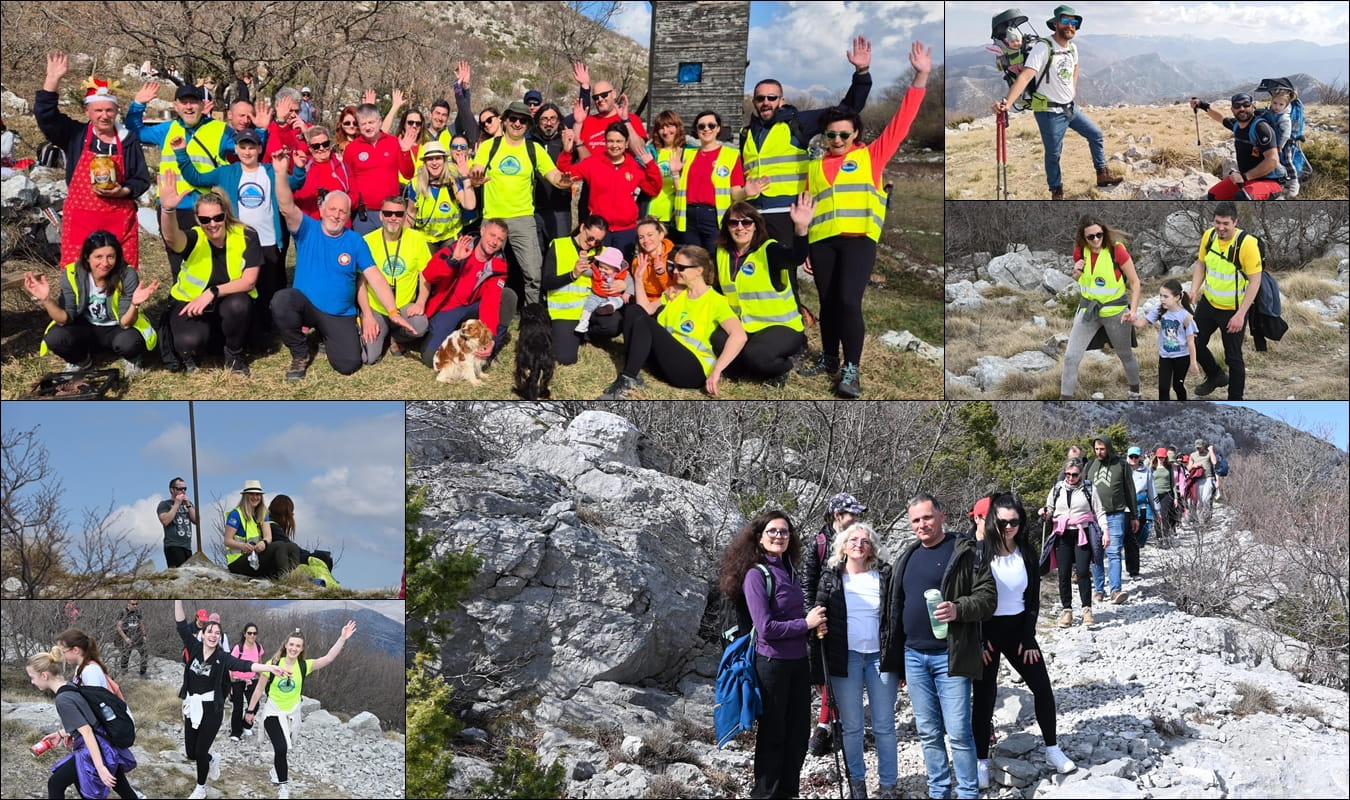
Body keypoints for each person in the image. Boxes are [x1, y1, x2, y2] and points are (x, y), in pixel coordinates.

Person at [799, 41, 931, 399]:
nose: (838, 139)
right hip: (823, 242)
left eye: (844, 133)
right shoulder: (814, 166)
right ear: (824, 136)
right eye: (831, 134)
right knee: (827, 302)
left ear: (855, 134)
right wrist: (808, 245)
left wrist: (920, 75)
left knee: (847, 301)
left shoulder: (871, 156)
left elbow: (902, 122)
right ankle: (828, 359)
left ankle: (851, 369)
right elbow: (811, 206)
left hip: (859, 241)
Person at [883, 494, 996, 800]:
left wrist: (959, 609)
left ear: (942, 516)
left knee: (959, 732)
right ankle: (939, 792)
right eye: (916, 520)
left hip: (952, 655)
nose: (922, 524)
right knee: (929, 733)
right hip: (914, 656)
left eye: (927, 517)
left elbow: (988, 597)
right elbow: (895, 608)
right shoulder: (906, 557)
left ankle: (969, 793)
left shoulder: (964, 552)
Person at [269, 150, 416, 380]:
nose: (336, 215)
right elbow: (287, 207)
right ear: (322, 210)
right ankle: (300, 352)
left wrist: (393, 311)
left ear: (348, 214)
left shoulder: (354, 240)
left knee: (349, 364)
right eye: (332, 209)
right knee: (281, 300)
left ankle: (328, 336)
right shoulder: (307, 229)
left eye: (343, 211)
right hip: (306, 306)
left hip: (339, 313)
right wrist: (280, 174)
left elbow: (375, 277)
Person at [716, 511, 827, 798]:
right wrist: (806, 623)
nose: (779, 536)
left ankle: (788, 793)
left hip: (797, 663)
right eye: (773, 531)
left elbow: (791, 617)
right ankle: (765, 794)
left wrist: (811, 625)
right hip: (771, 664)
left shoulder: (789, 570)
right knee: (774, 736)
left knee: (799, 737)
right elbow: (765, 627)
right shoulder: (756, 574)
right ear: (760, 537)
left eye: (785, 532)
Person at [972, 495, 1076, 790]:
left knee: (1042, 688)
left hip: (1019, 631)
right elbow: (973, 598)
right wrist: (979, 638)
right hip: (988, 633)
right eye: (1002, 521)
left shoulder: (1027, 553)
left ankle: (1053, 749)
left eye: (1013, 522)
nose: (1007, 527)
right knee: (984, 697)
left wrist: (1029, 636)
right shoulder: (980, 553)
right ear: (992, 521)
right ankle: (981, 761)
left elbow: (1031, 600)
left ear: (1021, 522)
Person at [173, 126, 306, 346]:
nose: (247, 152)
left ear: (259, 149)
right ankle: (247, 329)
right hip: (240, 242)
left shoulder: (269, 171)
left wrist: (299, 169)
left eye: (251, 147)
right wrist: (181, 153)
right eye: (242, 147)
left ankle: (268, 328)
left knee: (268, 288)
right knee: (244, 287)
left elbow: (294, 184)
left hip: (269, 240)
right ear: (236, 149)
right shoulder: (226, 172)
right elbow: (195, 177)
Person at [743, 36, 874, 248]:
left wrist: (861, 74)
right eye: (760, 98)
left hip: (786, 212)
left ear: (781, 101)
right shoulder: (746, 133)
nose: (765, 102)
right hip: (752, 213)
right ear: (754, 102)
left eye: (772, 97)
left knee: (783, 273)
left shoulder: (798, 122)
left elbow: (846, 111)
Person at [992, 6, 1123, 199]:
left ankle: (1102, 175)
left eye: (1074, 22)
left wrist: (1073, 89)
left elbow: (1076, 67)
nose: (1071, 26)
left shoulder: (1072, 47)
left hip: (1070, 108)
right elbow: (1026, 76)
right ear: (1055, 24)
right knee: (1053, 154)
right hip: (1048, 112)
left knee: (1095, 134)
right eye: (1066, 21)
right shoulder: (1043, 47)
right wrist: (1007, 102)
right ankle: (1056, 190)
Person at [36, 52, 150, 269]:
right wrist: (52, 80)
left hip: (118, 221)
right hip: (80, 221)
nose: (104, 116)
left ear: (116, 111)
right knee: (77, 277)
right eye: (98, 110)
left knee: (119, 279)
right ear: (86, 111)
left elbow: (141, 179)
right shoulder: (75, 135)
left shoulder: (128, 140)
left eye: (109, 110)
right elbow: (46, 117)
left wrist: (122, 191)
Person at [814, 521, 899, 799]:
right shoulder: (830, 577)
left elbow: (896, 619)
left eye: (864, 541)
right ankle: (857, 784)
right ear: (843, 545)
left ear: (872, 546)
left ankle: (888, 785)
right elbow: (818, 617)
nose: (859, 545)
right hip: (844, 657)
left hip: (879, 657)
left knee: (884, 725)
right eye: (853, 540)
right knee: (851, 727)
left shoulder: (885, 574)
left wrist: (901, 663)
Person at [174, 599, 290, 800]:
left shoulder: (222, 657)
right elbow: (181, 624)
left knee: (200, 751)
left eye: (217, 633)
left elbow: (245, 665)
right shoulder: (193, 646)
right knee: (191, 753)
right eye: (210, 631)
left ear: (220, 638)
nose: (213, 635)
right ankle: (212, 759)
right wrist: (177, 599)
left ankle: (200, 788)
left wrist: (269, 668)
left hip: (212, 711)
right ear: (203, 633)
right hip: (192, 706)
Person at [600, 245, 746, 399]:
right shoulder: (676, 291)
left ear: (699, 270)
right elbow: (645, 310)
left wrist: (717, 371)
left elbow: (739, 336)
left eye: (681, 268)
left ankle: (627, 380)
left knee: (645, 321)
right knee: (633, 310)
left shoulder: (715, 301)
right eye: (674, 266)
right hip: (664, 362)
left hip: (690, 370)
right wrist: (638, 279)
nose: (675, 271)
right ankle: (633, 372)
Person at [469, 100, 574, 303]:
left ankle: (532, 316)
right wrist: (475, 179)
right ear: (505, 121)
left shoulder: (533, 149)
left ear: (528, 125)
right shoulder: (489, 146)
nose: (517, 123)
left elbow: (554, 176)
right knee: (482, 272)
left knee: (533, 274)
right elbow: (477, 170)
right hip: (493, 218)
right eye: (513, 119)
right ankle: (480, 313)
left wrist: (564, 181)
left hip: (523, 219)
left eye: (523, 121)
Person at [156, 175, 261, 375]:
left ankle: (233, 356)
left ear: (226, 215)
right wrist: (168, 210)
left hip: (227, 303)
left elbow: (249, 281)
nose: (212, 224)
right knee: (189, 342)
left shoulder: (247, 235)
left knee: (239, 304)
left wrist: (212, 292)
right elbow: (171, 239)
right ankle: (196, 351)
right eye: (205, 219)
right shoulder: (194, 236)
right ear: (197, 219)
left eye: (218, 218)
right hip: (191, 302)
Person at [127, 81, 230, 280]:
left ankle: (211, 302)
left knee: (210, 260)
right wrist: (138, 104)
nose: (189, 107)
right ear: (176, 106)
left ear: (202, 105)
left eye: (194, 102)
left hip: (206, 208)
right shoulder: (166, 130)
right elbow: (134, 131)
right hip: (171, 207)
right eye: (184, 102)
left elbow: (249, 147)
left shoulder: (219, 130)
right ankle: (180, 301)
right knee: (178, 261)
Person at [244, 622, 358, 800]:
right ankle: (284, 787)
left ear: (302, 649)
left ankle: (276, 770)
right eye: (291, 644)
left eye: (298, 646)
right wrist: (250, 711)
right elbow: (259, 690)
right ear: (286, 645)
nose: (294, 648)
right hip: (273, 713)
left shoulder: (304, 666)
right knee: (281, 747)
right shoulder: (273, 664)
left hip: (292, 715)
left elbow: (328, 658)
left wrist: (342, 639)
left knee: (284, 749)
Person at [25, 230, 158, 374]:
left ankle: (132, 358)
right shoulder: (72, 273)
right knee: (55, 337)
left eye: (110, 257)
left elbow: (126, 323)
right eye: (98, 257)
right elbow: (64, 318)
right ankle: (80, 360)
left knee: (129, 342)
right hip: (86, 327)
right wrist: (46, 300)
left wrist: (134, 304)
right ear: (87, 257)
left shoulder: (127, 274)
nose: (105, 263)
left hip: (117, 328)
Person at [713, 198, 809, 386]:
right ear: (727, 227)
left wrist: (801, 229)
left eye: (746, 222)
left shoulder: (769, 250)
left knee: (755, 355)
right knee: (716, 340)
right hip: (746, 326)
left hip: (782, 326)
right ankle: (749, 366)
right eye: (734, 223)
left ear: (756, 226)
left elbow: (796, 257)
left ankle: (783, 367)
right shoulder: (721, 254)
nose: (740, 228)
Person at [26, 647, 141, 800]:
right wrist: (61, 733)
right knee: (121, 789)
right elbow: (89, 720)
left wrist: (100, 768)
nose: (32, 682)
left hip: (94, 749)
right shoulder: (72, 686)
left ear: (44, 675)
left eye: (32, 677)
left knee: (56, 784)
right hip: (106, 744)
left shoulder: (63, 700)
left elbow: (87, 731)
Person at [803, 493, 866, 759]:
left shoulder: (858, 541)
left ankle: (827, 726)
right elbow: (806, 585)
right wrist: (812, 617)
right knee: (828, 673)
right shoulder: (818, 544)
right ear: (837, 515)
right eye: (851, 514)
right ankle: (828, 725)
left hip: (852, 618)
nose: (856, 519)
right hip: (825, 619)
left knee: (843, 672)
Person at [1059, 215, 1142, 399]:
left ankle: (1135, 393)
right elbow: (1077, 278)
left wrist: (1133, 311)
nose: (1096, 239)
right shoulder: (1080, 252)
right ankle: (1064, 401)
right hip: (1089, 311)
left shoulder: (1116, 251)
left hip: (1116, 312)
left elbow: (1135, 283)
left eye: (1099, 234)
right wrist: (1077, 270)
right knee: (1071, 357)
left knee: (1124, 354)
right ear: (1083, 237)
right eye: (1091, 237)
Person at [1187, 201, 1262, 399]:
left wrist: (1240, 315)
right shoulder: (1209, 236)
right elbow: (1201, 264)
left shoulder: (1246, 244)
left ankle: (1235, 398)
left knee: (1233, 357)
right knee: (1193, 343)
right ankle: (1216, 376)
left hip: (1234, 310)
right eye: (1217, 222)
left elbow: (1255, 282)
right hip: (1209, 304)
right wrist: (1194, 290)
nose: (1220, 228)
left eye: (1225, 223)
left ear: (1235, 222)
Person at [419, 219, 517, 369]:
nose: (494, 242)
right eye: (492, 235)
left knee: (507, 296)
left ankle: (489, 351)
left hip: (472, 308)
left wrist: (490, 339)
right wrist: (454, 260)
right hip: (448, 308)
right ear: (482, 231)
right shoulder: (460, 246)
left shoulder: (499, 264)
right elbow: (429, 274)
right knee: (430, 358)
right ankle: (455, 341)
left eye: (500, 239)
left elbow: (491, 302)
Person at [558, 119, 662, 256]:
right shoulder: (593, 163)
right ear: (605, 142)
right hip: (600, 230)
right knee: (596, 271)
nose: (614, 145)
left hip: (626, 230)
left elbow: (653, 188)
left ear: (626, 144)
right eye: (610, 141)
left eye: (619, 141)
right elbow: (566, 173)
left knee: (623, 271)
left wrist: (650, 165)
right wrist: (566, 152)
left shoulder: (634, 167)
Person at [670, 110, 766, 254]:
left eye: (711, 125)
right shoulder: (687, 155)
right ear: (696, 130)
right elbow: (681, 191)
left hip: (715, 218)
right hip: (688, 217)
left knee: (715, 261)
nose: (706, 129)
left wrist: (745, 192)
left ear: (718, 128)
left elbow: (735, 193)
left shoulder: (730, 155)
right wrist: (675, 173)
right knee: (693, 261)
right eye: (701, 126)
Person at [361, 195, 433, 364]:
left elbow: (425, 275)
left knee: (421, 325)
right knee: (368, 357)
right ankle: (381, 331)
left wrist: (421, 302)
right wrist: (367, 315)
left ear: (404, 216)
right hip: (377, 308)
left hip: (404, 307)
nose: (393, 218)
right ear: (380, 215)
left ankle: (397, 337)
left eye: (399, 214)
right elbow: (360, 283)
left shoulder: (417, 239)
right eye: (388, 213)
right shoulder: (367, 241)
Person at [1038, 459, 1107, 626]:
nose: (1070, 478)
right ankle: (1067, 610)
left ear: (1081, 474)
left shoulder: (1089, 489)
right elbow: (1050, 509)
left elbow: (1099, 511)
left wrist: (1106, 532)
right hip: (1062, 534)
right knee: (1063, 574)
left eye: (1074, 475)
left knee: (1083, 571)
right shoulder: (1057, 489)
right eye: (1067, 474)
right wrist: (1044, 513)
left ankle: (1086, 609)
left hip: (1082, 532)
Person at [1189, 93, 1284, 200]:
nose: (1241, 108)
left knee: (1243, 197)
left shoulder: (1261, 128)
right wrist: (1201, 104)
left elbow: (1273, 160)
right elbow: (1221, 118)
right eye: (1237, 106)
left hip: (1269, 181)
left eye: (1246, 105)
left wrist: (1244, 177)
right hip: (1246, 178)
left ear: (1253, 107)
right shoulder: (1237, 126)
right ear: (1232, 110)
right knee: (1213, 195)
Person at [345, 103, 416, 235]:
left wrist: (405, 152)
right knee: (364, 252)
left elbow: (408, 174)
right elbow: (348, 179)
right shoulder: (352, 149)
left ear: (379, 121)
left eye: (371, 122)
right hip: (363, 214)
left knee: (390, 252)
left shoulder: (393, 142)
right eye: (363, 124)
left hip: (391, 212)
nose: (368, 127)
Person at [1086, 439, 1138, 605]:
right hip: (1094, 517)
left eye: (1102, 448)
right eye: (1096, 449)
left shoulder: (1121, 465)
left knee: (1114, 552)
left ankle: (1115, 590)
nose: (1099, 452)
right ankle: (1099, 590)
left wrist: (1134, 515)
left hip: (1116, 514)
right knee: (1096, 553)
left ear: (1108, 448)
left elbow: (1130, 490)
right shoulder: (1091, 466)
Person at [222, 480, 304, 579]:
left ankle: (292, 576)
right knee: (279, 546)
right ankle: (285, 577)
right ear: (245, 496)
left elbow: (268, 536)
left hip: (255, 556)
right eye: (251, 494)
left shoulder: (262, 513)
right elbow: (227, 541)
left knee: (292, 547)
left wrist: (264, 543)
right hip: (238, 561)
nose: (255, 497)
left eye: (258, 494)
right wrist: (243, 546)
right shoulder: (236, 514)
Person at [1133, 278, 1199, 400]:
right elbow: (1140, 324)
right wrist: (1130, 317)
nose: (1162, 299)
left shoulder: (1186, 317)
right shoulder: (1159, 310)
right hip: (1165, 356)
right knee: (1163, 388)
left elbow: (1191, 342)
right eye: (1160, 295)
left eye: (1166, 296)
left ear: (1177, 297)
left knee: (1177, 386)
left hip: (1182, 357)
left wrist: (1193, 363)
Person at [408, 140, 476, 252]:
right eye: (430, 159)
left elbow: (469, 205)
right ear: (425, 162)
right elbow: (410, 213)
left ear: (444, 160)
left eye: (438, 158)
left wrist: (465, 177)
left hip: (450, 236)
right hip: (426, 237)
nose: (434, 163)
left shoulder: (453, 181)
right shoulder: (416, 184)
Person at [530, 102, 574, 246]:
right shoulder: (529, 143)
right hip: (534, 209)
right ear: (537, 121)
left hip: (559, 208)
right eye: (544, 119)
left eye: (552, 118)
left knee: (559, 251)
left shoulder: (565, 142)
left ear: (559, 120)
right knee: (536, 254)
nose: (548, 123)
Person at [293, 125, 352, 221]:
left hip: (340, 223)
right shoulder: (305, 167)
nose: (321, 148)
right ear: (310, 148)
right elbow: (299, 199)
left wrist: (338, 205)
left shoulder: (341, 166)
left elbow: (354, 194)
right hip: (313, 223)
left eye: (325, 144)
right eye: (316, 146)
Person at [572, 246, 632, 335]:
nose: (602, 270)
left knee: (619, 301)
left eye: (606, 269)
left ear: (616, 269)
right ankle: (584, 321)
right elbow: (586, 271)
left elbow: (631, 282)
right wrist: (583, 260)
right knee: (589, 304)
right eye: (600, 266)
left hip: (613, 296)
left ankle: (609, 307)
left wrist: (627, 292)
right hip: (597, 294)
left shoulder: (623, 274)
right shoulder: (597, 271)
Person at [644, 110, 685, 226]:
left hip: (673, 214)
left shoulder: (686, 152)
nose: (666, 131)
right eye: (661, 128)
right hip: (650, 213)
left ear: (677, 127)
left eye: (669, 126)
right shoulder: (651, 152)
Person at [632, 216, 678, 315]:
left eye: (650, 235)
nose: (645, 240)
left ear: (661, 235)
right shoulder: (638, 261)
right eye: (641, 237)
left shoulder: (674, 258)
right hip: (645, 302)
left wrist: (661, 273)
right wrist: (638, 278)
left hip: (667, 301)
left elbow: (675, 292)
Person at [228, 623, 264, 741]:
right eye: (249, 633)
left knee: (255, 704)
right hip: (237, 680)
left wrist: (262, 680)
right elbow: (230, 666)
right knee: (237, 706)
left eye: (254, 633)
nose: (252, 635)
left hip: (252, 680)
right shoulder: (238, 648)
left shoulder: (258, 647)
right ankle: (235, 732)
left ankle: (246, 724)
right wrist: (229, 685)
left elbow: (259, 664)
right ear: (244, 634)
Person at [1126, 446, 1159, 575]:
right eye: (1131, 456)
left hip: (1141, 508)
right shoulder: (1123, 471)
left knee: (1135, 540)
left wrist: (1157, 510)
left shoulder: (1146, 472)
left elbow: (1152, 491)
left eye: (1136, 457)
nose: (1133, 459)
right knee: (1126, 539)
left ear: (1139, 457)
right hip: (1125, 508)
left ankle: (1133, 569)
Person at [1150, 448, 1177, 545]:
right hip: (1155, 494)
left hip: (1167, 494)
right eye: (1159, 457)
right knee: (1157, 516)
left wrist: (1176, 498)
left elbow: (1173, 483)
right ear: (1156, 456)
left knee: (1165, 516)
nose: (1161, 459)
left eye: (1163, 457)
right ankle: (1159, 538)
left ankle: (1166, 537)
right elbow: (1149, 482)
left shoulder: (1169, 467)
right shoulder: (1152, 467)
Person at [1188, 439, 1219, 524]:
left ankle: (1207, 518)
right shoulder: (1193, 455)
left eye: (1200, 447)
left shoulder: (1208, 454)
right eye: (1197, 447)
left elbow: (1214, 462)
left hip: (1208, 478)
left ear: (1204, 446)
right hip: (1197, 479)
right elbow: (1189, 468)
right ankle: (1201, 522)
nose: (1198, 449)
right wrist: (1194, 465)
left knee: (1206, 499)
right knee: (1198, 502)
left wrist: (1211, 450)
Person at [115, 600, 148, 677]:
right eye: (133, 604)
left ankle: (143, 673)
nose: (135, 606)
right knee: (125, 655)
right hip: (128, 636)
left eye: (136, 604)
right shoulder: (123, 612)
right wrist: (125, 638)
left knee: (144, 654)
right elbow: (119, 627)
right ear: (129, 604)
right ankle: (124, 673)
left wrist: (144, 635)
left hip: (138, 636)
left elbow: (141, 624)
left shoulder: (138, 611)